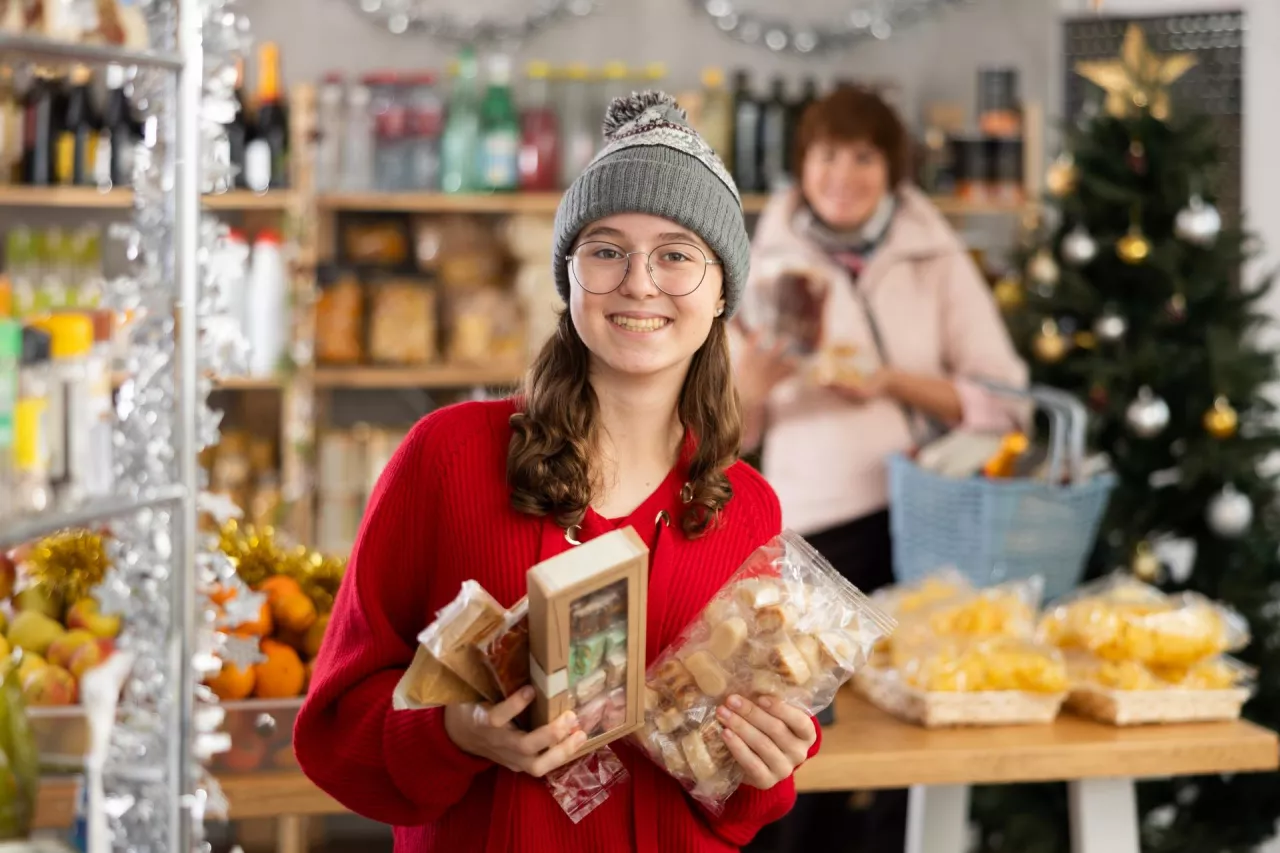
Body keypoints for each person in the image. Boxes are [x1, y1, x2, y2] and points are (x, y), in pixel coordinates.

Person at [294, 91, 820, 853]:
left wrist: (764, 769)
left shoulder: (749, 510)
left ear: (721, 293)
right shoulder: (447, 458)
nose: (638, 282)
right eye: (605, 250)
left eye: (676, 254)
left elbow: (736, 801)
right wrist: (455, 733)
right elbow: (337, 722)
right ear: (569, 278)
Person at [734, 85, 1028, 853]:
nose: (843, 173)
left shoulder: (934, 256)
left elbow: (1008, 399)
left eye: (863, 155)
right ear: (803, 164)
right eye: (827, 153)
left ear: (891, 169)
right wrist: (756, 382)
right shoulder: (761, 261)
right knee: (799, 756)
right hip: (807, 540)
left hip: (921, 529)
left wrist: (887, 381)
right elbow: (722, 434)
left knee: (902, 754)